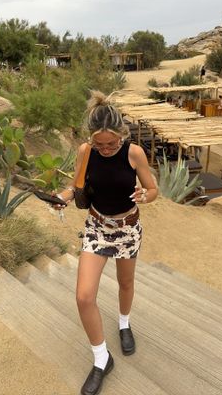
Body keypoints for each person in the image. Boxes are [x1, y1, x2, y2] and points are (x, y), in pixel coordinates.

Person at [55, 91, 158, 395]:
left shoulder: (134, 153)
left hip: (127, 229)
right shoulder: (86, 151)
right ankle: (102, 358)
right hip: (97, 227)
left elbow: (153, 190)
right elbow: (75, 187)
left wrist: (145, 195)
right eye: (100, 144)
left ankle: (124, 324)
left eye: (111, 143)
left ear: (122, 135)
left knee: (125, 284)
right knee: (84, 297)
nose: (106, 149)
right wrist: (62, 197)